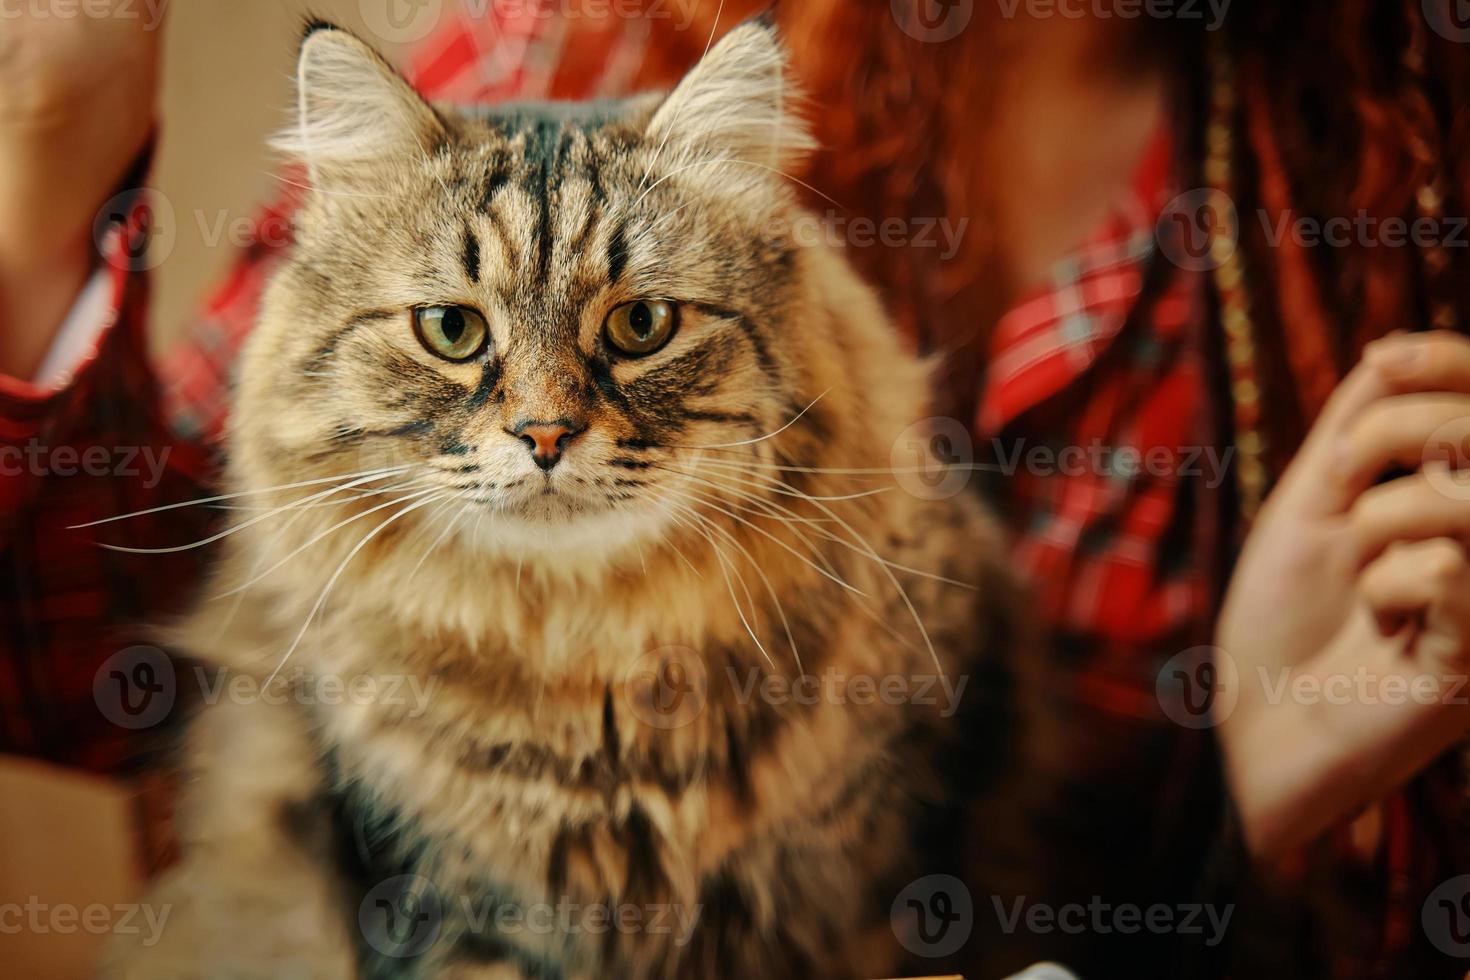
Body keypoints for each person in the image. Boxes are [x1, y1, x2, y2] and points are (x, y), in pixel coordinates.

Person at [5, 2, 1470, 977]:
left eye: (633, 330)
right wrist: (38, 193)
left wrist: (1260, 786)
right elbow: (104, 674)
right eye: (458, 334)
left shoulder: (1387, 176)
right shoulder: (570, 49)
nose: (542, 424)